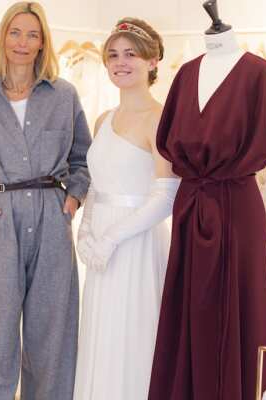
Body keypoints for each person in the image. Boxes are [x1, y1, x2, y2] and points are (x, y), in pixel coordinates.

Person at [148, 6, 266, 400]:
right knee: (189, 307)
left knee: (238, 308)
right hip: (191, 204)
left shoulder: (262, 74)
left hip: (236, 206)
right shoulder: (185, 75)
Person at [0, 2, 91, 399]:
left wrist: (73, 199)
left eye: (32, 34)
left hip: (51, 218)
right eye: (15, 32)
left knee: (51, 340)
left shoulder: (64, 95)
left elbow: (83, 159)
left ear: (43, 42)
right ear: (3, 37)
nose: (22, 42)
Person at [73, 18, 180, 400]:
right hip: (101, 249)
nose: (121, 62)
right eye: (113, 55)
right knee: (102, 334)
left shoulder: (161, 119)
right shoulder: (104, 119)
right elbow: (97, 186)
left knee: (132, 334)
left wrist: (112, 239)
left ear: (152, 61)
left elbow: (166, 196)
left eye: (131, 54)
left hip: (136, 244)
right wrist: (86, 232)